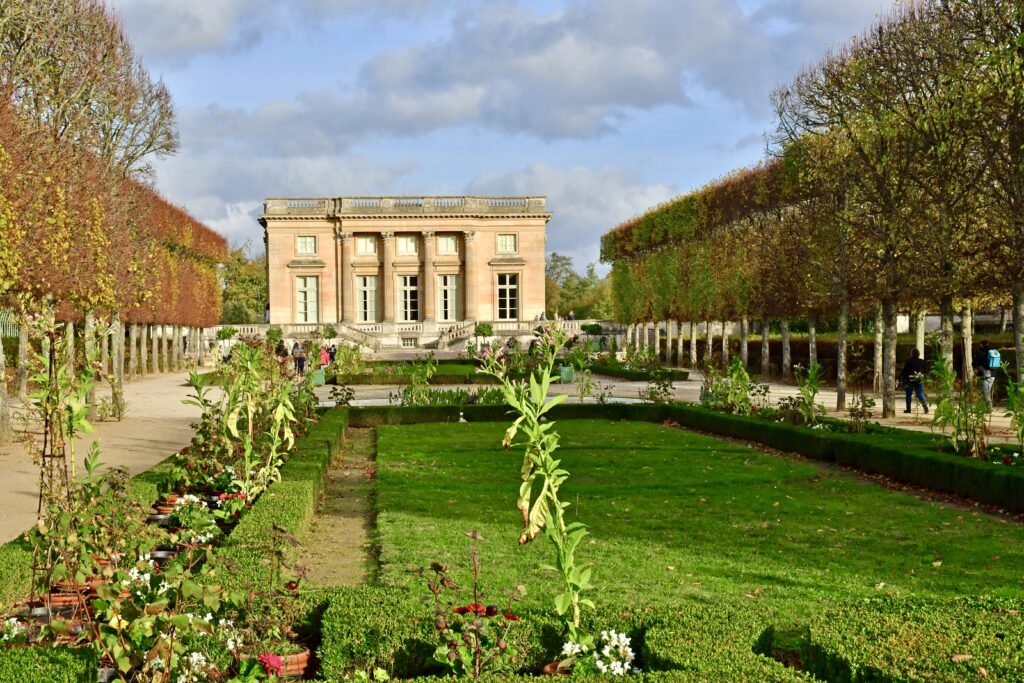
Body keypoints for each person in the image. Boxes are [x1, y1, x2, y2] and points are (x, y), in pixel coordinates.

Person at [900, 348, 928, 414]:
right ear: (918, 354)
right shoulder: (922, 361)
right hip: (918, 380)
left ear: (911, 354)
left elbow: (904, 371)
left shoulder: (908, 361)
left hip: (908, 380)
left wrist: (902, 378)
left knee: (908, 395)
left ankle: (908, 409)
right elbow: (925, 371)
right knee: (920, 394)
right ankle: (925, 407)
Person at [973, 340, 999, 408]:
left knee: (985, 392)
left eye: (980, 344)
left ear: (982, 345)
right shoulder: (994, 351)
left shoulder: (980, 352)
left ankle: (989, 408)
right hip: (993, 374)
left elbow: (977, 363)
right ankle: (985, 406)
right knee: (987, 391)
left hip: (986, 374)